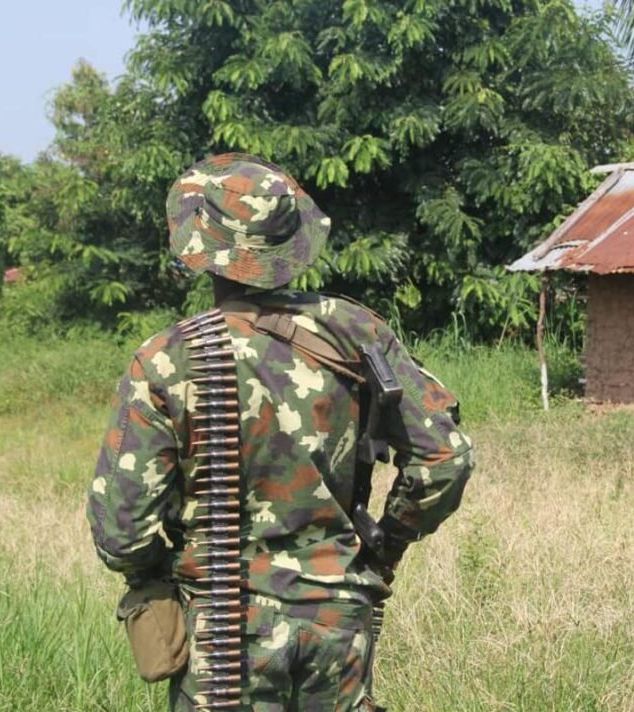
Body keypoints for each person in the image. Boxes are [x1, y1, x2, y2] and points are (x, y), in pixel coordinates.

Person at [87, 153, 474, 711]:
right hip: (340, 622)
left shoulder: (168, 359)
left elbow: (121, 529)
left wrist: (155, 575)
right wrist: (385, 547)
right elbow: (446, 459)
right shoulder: (358, 332)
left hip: (225, 631)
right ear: (291, 245)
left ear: (204, 248)